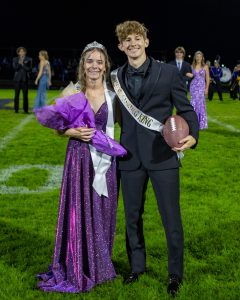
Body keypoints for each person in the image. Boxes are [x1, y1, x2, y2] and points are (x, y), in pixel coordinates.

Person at [111, 20, 199, 297]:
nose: (133, 43)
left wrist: (193, 135)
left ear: (146, 41)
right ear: (121, 46)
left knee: (171, 219)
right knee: (132, 218)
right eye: (127, 40)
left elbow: (187, 110)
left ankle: (175, 274)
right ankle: (137, 267)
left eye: (138, 38)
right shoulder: (115, 77)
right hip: (129, 158)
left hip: (163, 158)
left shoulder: (167, 73)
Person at [36, 41, 125, 293]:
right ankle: (77, 262)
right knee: (80, 209)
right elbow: (56, 127)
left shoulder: (113, 95)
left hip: (105, 161)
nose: (94, 66)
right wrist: (73, 132)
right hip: (79, 158)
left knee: (103, 208)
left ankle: (100, 264)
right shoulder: (71, 91)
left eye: (99, 61)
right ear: (83, 65)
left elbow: (121, 125)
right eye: (90, 61)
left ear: (106, 65)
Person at [189, 50, 210, 130]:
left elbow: (207, 78)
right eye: (197, 56)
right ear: (195, 57)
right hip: (193, 87)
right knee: (193, 104)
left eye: (200, 56)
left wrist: (206, 88)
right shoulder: (192, 66)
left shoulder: (205, 67)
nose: (198, 58)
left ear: (202, 58)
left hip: (201, 88)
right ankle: (193, 123)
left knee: (200, 105)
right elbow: (188, 75)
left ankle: (201, 124)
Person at [12, 46, 32, 113]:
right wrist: (19, 63)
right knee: (16, 95)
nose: (22, 53)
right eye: (20, 51)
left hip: (25, 80)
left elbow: (29, 69)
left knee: (25, 96)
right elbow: (15, 68)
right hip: (17, 80)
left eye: (23, 51)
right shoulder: (15, 59)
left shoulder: (29, 59)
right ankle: (16, 109)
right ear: (18, 53)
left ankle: (25, 110)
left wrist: (23, 64)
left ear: (25, 52)